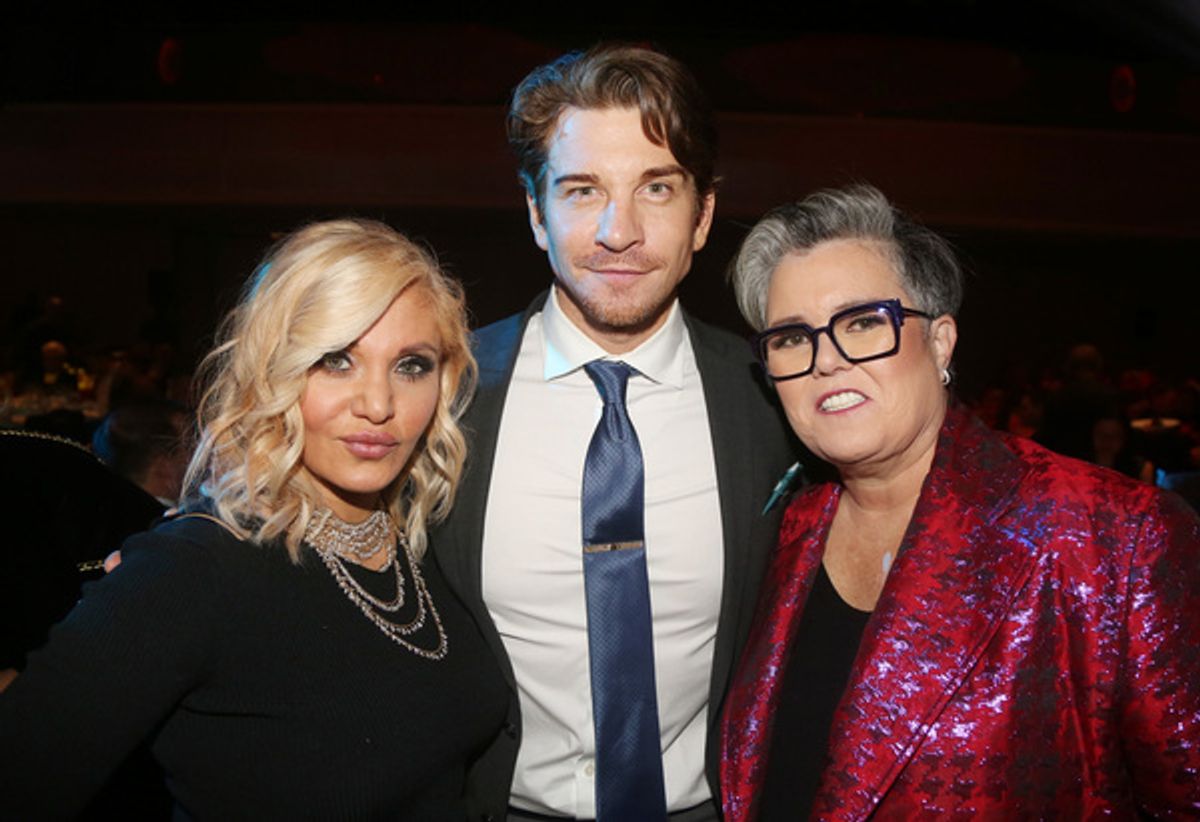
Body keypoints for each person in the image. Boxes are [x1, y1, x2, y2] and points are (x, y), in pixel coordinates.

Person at [720, 184, 1200, 819]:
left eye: (863, 323)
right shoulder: (788, 530)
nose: (825, 361)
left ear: (941, 343)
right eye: (789, 338)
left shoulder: (1115, 537)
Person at [0, 219, 508, 819]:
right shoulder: (191, 571)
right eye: (336, 360)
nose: (378, 405)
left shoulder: (426, 542)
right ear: (274, 370)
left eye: (411, 365)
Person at [431, 44, 796, 821]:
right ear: (537, 213)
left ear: (701, 216)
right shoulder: (443, 395)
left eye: (655, 189)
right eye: (582, 188)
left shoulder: (778, 404)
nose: (617, 230)